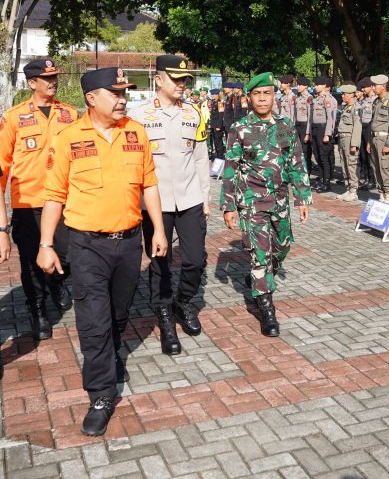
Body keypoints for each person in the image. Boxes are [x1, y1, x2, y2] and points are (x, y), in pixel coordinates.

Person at [36, 67, 168, 436]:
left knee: (119, 313)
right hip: (86, 244)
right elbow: (54, 196)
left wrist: (157, 229)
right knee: (93, 320)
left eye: (125, 91)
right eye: (115, 92)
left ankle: (108, 358)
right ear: (92, 99)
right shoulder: (67, 138)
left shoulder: (136, 133)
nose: (123, 98)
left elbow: (150, 185)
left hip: (127, 243)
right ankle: (101, 394)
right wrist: (46, 245)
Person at [127, 54, 209, 356]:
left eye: (185, 79)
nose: (182, 85)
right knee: (160, 262)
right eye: (176, 79)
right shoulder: (138, 116)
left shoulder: (195, 113)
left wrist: (206, 197)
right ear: (158, 79)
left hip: (189, 199)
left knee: (195, 260)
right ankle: (163, 314)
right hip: (155, 204)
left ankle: (183, 302)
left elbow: (200, 158)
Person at [221, 72, 311, 338]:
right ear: (250, 98)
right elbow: (230, 169)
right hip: (252, 202)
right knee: (260, 255)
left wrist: (302, 197)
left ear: (274, 96)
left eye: (267, 94)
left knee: (282, 246)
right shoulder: (239, 129)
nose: (262, 99)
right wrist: (228, 206)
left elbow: (295, 162)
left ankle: (262, 274)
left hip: (280, 199)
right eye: (257, 94)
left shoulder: (284, 125)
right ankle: (266, 308)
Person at [0, 58, 78, 341]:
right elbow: (1, 168)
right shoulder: (13, 117)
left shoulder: (70, 114)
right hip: (28, 203)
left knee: (69, 253)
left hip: (63, 201)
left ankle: (57, 282)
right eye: (47, 78)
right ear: (32, 83)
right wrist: (2, 224)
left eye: (55, 76)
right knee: (32, 263)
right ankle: (37, 309)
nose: (53, 81)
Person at [368, 74, 389, 203]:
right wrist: (369, 141)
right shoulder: (376, 101)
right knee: (375, 167)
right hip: (374, 138)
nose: (373, 88)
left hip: (384, 139)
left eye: (375, 85)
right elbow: (372, 122)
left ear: (383, 86)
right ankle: (381, 193)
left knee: (385, 168)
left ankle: (388, 195)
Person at [305, 76, 337, 192]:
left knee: (324, 157)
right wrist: (308, 133)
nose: (315, 87)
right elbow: (310, 118)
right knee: (317, 156)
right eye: (315, 85)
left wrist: (327, 134)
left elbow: (331, 119)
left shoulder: (328, 99)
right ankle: (322, 179)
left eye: (318, 85)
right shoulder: (315, 99)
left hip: (323, 129)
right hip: (315, 129)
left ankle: (327, 182)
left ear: (324, 86)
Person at [335, 84, 362, 202]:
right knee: (344, 164)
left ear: (351, 95)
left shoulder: (356, 108)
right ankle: (348, 188)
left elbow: (357, 126)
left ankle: (354, 191)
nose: (342, 96)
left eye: (344, 94)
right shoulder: (346, 107)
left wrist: (354, 144)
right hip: (342, 139)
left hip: (350, 139)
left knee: (351, 165)